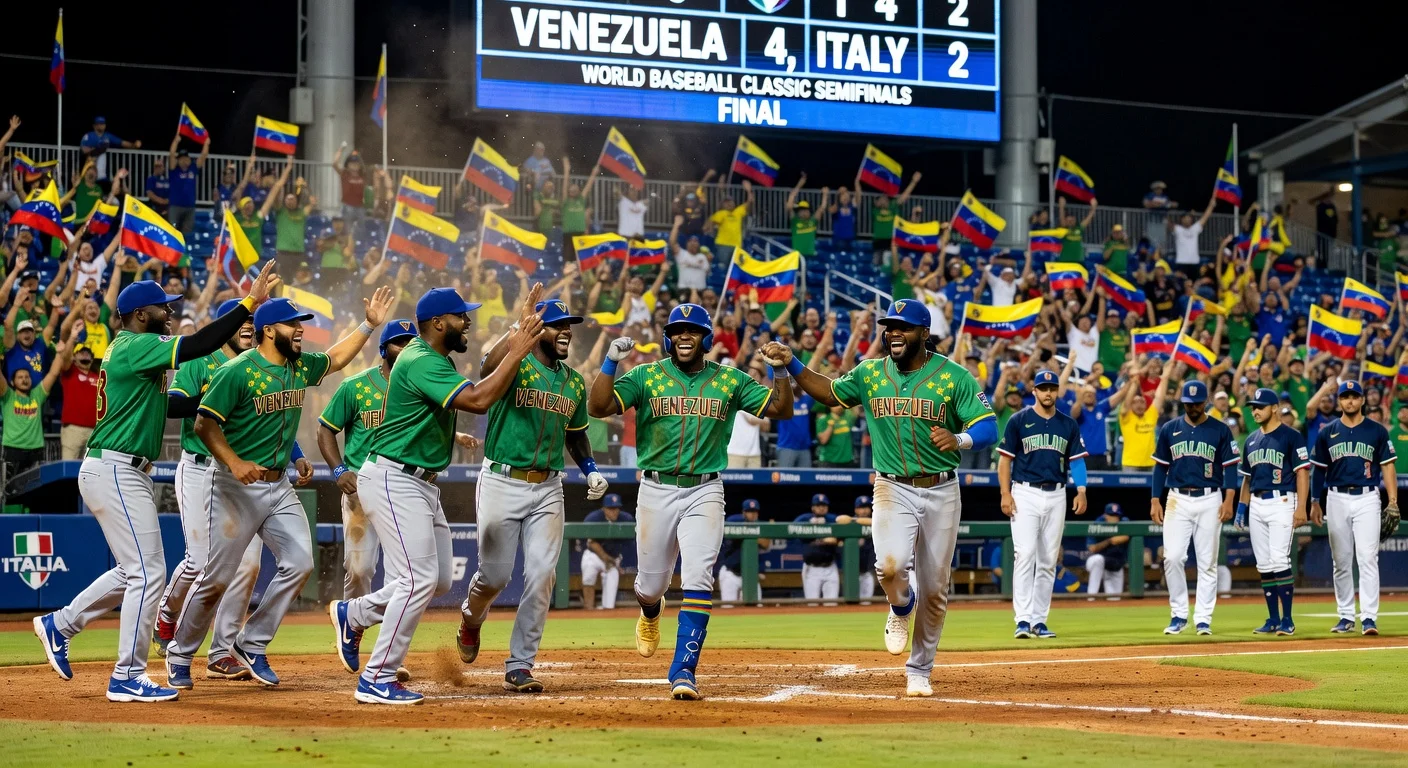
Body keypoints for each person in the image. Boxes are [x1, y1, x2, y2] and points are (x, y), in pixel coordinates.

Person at [32, 270, 279, 702]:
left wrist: (220, 401)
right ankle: (126, 674)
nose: (169, 312)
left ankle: (61, 624)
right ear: (140, 314)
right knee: (148, 573)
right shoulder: (136, 345)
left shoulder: (132, 352)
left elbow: (175, 404)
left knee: (136, 572)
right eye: (163, 307)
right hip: (115, 468)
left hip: (122, 469)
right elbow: (200, 344)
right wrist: (247, 305)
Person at [165, 288, 393, 692]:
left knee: (300, 562)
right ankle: (180, 653)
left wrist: (368, 325)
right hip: (233, 488)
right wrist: (234, 463)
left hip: (278, 485)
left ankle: (252, 642)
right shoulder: (236, 371)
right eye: (294, 324)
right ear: (269, 330)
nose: (301, 329)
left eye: (301, 323)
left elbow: (338, 358)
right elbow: (203, 424)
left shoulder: (299, 366)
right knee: (217, 576)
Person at [767, 299, 996, 698]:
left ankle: (920, 669)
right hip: (892, 485)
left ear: (924, 333)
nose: (892, 332)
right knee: (889, 569)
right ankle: (899, 607)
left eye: (903, 327)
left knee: (936, 588)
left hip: (942, 488)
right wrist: (793, 364)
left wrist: (959, 438)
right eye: (889, 325)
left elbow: (988, 425)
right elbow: (830, 393)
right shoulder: (871, 372)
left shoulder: (953, 376)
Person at [330, 287, 544, 704]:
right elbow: (480, 399)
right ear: (439, 323)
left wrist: (519, 328)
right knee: (418, 578)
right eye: (462, 317)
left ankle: (353, 614)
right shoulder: (421, 358)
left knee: (440, 579)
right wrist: (516, 350)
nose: (469, 323)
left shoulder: (435, 361)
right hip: (394, 477)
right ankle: (376, 676)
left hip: (420, 482)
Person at [588, 303, 792, 700]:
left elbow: (780, 409)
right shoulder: (646, 376)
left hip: (705, 488)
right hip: (656, 488)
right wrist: (611, 363)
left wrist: (780, 370)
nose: (684, 337)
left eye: (692, 331)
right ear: (668, 337)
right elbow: (598, 407)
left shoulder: (728, 380)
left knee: (699, 577)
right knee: (651, 585)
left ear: (706, 338)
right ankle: (650, 610)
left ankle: (683, 670)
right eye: (677, 331)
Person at [454, 298, 606, 694]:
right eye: (557, 325)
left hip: (548, 487)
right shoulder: (514, 365)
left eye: (568, 325)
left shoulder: (573, 381)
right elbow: (485, 369)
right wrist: (514, 333)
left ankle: (520, 664)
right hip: (502, 479)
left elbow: (576, 434)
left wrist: (590, 469)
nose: (566, 331)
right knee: (495, 576)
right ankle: (471, 619)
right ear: (538, 331)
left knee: (541, 577)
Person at [152, 300, 276, 681]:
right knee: (200, 560)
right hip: (201, 468)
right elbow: (171, 406)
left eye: (255, 322)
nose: (248, 326)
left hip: (242, 477)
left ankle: (222, 652)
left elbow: (273, 418)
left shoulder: (259, 365)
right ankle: (168, 612)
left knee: (249, 565)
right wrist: (212, 405)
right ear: (228, 327)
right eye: (243, 320)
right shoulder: (200, 361)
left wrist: (299, 453)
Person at [317, 321, 422, 606]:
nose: (406, 348)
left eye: (411, 342)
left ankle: (390, 633)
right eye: (399, 342)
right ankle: (351, 624)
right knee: (360, 570)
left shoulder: (422, 387)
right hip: (361, 490)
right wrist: (339, 469)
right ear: (383, 349)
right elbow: (325, 429)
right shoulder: (355, 386)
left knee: (405, 572)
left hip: (404, 489)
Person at [998, 369, 1088, 639]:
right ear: (1034, 391)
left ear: (1057, 391)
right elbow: (1005, 460)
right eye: (1043, 388)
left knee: (1048, 560)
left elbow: (1077, 460)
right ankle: (1022, 620)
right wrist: (1005, 493)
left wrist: (1081, 489)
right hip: (1025, 492)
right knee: (1025, 555)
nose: (1048, 392)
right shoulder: (1019, 420)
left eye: (1052, 387)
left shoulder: (1068, 423)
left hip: (1057, 493)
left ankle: (1039, 620)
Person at [1150, 380, 1240, 636]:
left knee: (1207, 562)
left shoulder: (1220, 429)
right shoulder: (1170, 428)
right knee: (1173, 557)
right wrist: (1155, 499)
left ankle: (1203, 618)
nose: (1192, 407)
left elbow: (1230, 466)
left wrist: (1229, 498)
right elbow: (1160, 467)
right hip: (1177, 498)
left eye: (1197, 403)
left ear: (1206, 401)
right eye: (1188, 403)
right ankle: (1178, 614)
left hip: (1210, 498)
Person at [1311, 380, 1398, 637]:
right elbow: (1319, 470)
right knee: (1341, 560)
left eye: (1354, 396)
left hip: (1367, 497)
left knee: (1368, 557)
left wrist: (1392, 500)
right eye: (1345, 396)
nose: (1350, 401)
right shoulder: (1327, 432)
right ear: (1339, 401)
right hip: (1336, 498)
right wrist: (1316, 501)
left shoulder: (1377, 431)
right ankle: (1346, 615)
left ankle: (1369, 617)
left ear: (1362, 400)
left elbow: (1388, 466)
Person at [1235, 387, 1310, 637]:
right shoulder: (1251, 440)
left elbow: (1302, 472)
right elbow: (1247, 479)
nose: (1255, 411)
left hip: (1282, 501)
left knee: (1279, 559)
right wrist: (1241, 507)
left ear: (1275, 408)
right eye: (1253, 407)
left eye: (1260, 406)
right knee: (1264, 564)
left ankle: (1287, 620)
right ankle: (1273, 619)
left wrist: (1302, 506)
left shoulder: (1291, 436)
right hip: (1256, 503)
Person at [2, 340, 67, 488]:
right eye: (20, 377)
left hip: (35, 451)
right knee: (9, 491)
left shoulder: (37, 394)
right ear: (12, 382)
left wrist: (59, 354)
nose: (24, 379)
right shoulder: (8, 396)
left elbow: (53, 373)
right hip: (13, 450)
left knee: (35, 491)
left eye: (27, 376)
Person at [581, 494, 634, 610]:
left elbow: (628, 544)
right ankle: (588, 609)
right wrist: (606, 558)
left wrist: (619, 562)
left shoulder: (626, 519)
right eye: (610, 509)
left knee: (612, 580)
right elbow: (591, 543)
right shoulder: (593, 518)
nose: (614, 512)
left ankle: (607, 611)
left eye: (616, 508)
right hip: (594, 555)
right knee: (589, 569)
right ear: (604, 508)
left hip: (613, 557)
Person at [1116, 360, 1170, 471]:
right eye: (1135, 402)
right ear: (1131, 405)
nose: (1139, 405)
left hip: (1151, 463)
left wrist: (1164, 378)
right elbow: (1126, 403)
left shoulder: (1151, 414)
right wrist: (1134, 383)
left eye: (1142, 402)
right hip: (1130, 464)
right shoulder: (1126, 417)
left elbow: (1159, 398)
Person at [717, 499, 766, 605]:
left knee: (757, 606)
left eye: (755, 511)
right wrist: (753, 533)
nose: (752, 514)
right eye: (749, 511)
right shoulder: (734, 521)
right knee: (728, 608)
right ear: (744, 512)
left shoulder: (759, 525)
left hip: (749, 575)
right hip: (731, 574)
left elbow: (766, 544)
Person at [795, 494, 840, 604]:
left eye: (824, 505)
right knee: (812, 604)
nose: (821, 507)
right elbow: (791, 529)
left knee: (831, 604)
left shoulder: (832, 519)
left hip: (830, 567)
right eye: (818, 505)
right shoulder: (804, 519)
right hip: (811, 568)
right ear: (812, 507)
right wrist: (809, 527)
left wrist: (827, 539)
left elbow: (843, 533)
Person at [725, 363, 771, 468]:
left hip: (754, 453)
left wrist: (761, 419)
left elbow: (767, 426)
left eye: (757, 375)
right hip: (734, 452)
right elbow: (751, 419)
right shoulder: (736, 395)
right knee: (733, 484)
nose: (754, 377)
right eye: (751, 374)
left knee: (754, 484)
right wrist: (761, 419)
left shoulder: (759, 398)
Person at [166, 135, 210, 240]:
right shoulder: (174, 170)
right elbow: (172, 154)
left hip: (190, 207)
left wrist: (206, 144)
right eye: (181, 159)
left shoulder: (193, 169)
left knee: (188, 234)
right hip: (175, 207)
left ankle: (185, 254)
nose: (184, 160)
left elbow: (203, 155)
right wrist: (175, 142)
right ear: (178, 160)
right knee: (172, 232)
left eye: (186, 158)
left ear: (189, 159)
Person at [1084, 504, 1129, 597]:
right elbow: (1092, 548)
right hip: (1094, 561)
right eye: (1111, 516)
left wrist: (1113, 539)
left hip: (1114, 564)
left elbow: (1125, 537)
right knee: (1098, 559)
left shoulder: (1124, 521)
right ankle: (1092, 595)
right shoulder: (1098, 523)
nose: (1114, 519)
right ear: (1105, 515)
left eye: (1116, 516)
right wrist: (1108, 541)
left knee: (1115, 599)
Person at [79, 116, 140, 183]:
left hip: (101, 175)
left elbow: (122, 142)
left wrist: (134, 145)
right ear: (94, 126)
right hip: (89, 170)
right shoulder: (88, 136)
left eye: (103, 123)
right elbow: (83, 151)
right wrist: (97, 149)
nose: (101, 125)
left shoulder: (107, 136)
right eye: (99, 123)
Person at [1170, 196, 1217, 279]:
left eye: (1189, 217)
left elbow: (1205, 216)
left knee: (1194, 286)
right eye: (1185, 217)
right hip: (1182, 262)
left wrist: (1211, 206)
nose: (1187, 219)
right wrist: (1169, 206)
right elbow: (1167, 220)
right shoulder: (1178, 229)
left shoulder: (1195, 228)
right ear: (1181, 219)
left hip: (1194, 262)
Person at [775, 380, 815, 468]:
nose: (795, 386)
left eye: (798, 383)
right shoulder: (784, 400)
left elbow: (815, 390)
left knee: (806, 480)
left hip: (804, 448)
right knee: (785, 479)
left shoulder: (806, 399)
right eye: (793, 384)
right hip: (787, 447)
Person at [707, 180, 752, 252]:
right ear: (723, 204)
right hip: (723, 245)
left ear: (734, 202)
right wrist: (711, 231)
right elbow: (711, 222)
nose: (729, 204)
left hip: (737, 246)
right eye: (726, 202)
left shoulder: (738, 211)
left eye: (730, 201)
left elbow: (750, 201)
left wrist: (749, 190)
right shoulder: (721, 213)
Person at [1056, 195, 1098, 265]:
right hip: (1065, 260)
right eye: (1068, 221)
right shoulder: (1063, 230)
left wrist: (1094, 208)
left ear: (1075, 220)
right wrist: (1061, 207)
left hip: (1079, 260)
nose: (1070, 222)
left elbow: (1089, 218)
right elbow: (1062, 220)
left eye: (1072, 220)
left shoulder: (1079, 228)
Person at [786, 175, 817, 259]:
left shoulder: (813, 221)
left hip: (811, 257)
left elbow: (822, 209)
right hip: (797, 257)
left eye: (806, 210)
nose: (803, 212)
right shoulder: (794, 221)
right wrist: (799, 185)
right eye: (801, 210)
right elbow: (789, 205)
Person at [1143, 181, 1176, 252]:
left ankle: (1161, 253)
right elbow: (1146, 204)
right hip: (1152, 220)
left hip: (1162, 221)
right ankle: (1151, 253)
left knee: (1162, 239)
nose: (1159, 190)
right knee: (1151, 238)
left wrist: (1159, 204)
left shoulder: (1165, 197)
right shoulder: (1150, 195)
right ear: (1154, 189)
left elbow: (1174, 204)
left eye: (1160, 188)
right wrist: (1162, 204)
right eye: (1157, 188)